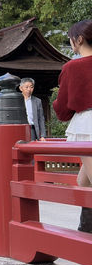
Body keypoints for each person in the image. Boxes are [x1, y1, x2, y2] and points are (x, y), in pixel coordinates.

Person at [53, 19, 92, 233]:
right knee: (83, 180)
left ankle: (87, 228)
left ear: (78, 39)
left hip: (87, 124)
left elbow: (63, 110)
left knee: (90, 181)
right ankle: (86, 227)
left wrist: (56, 105)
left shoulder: (72, 67)